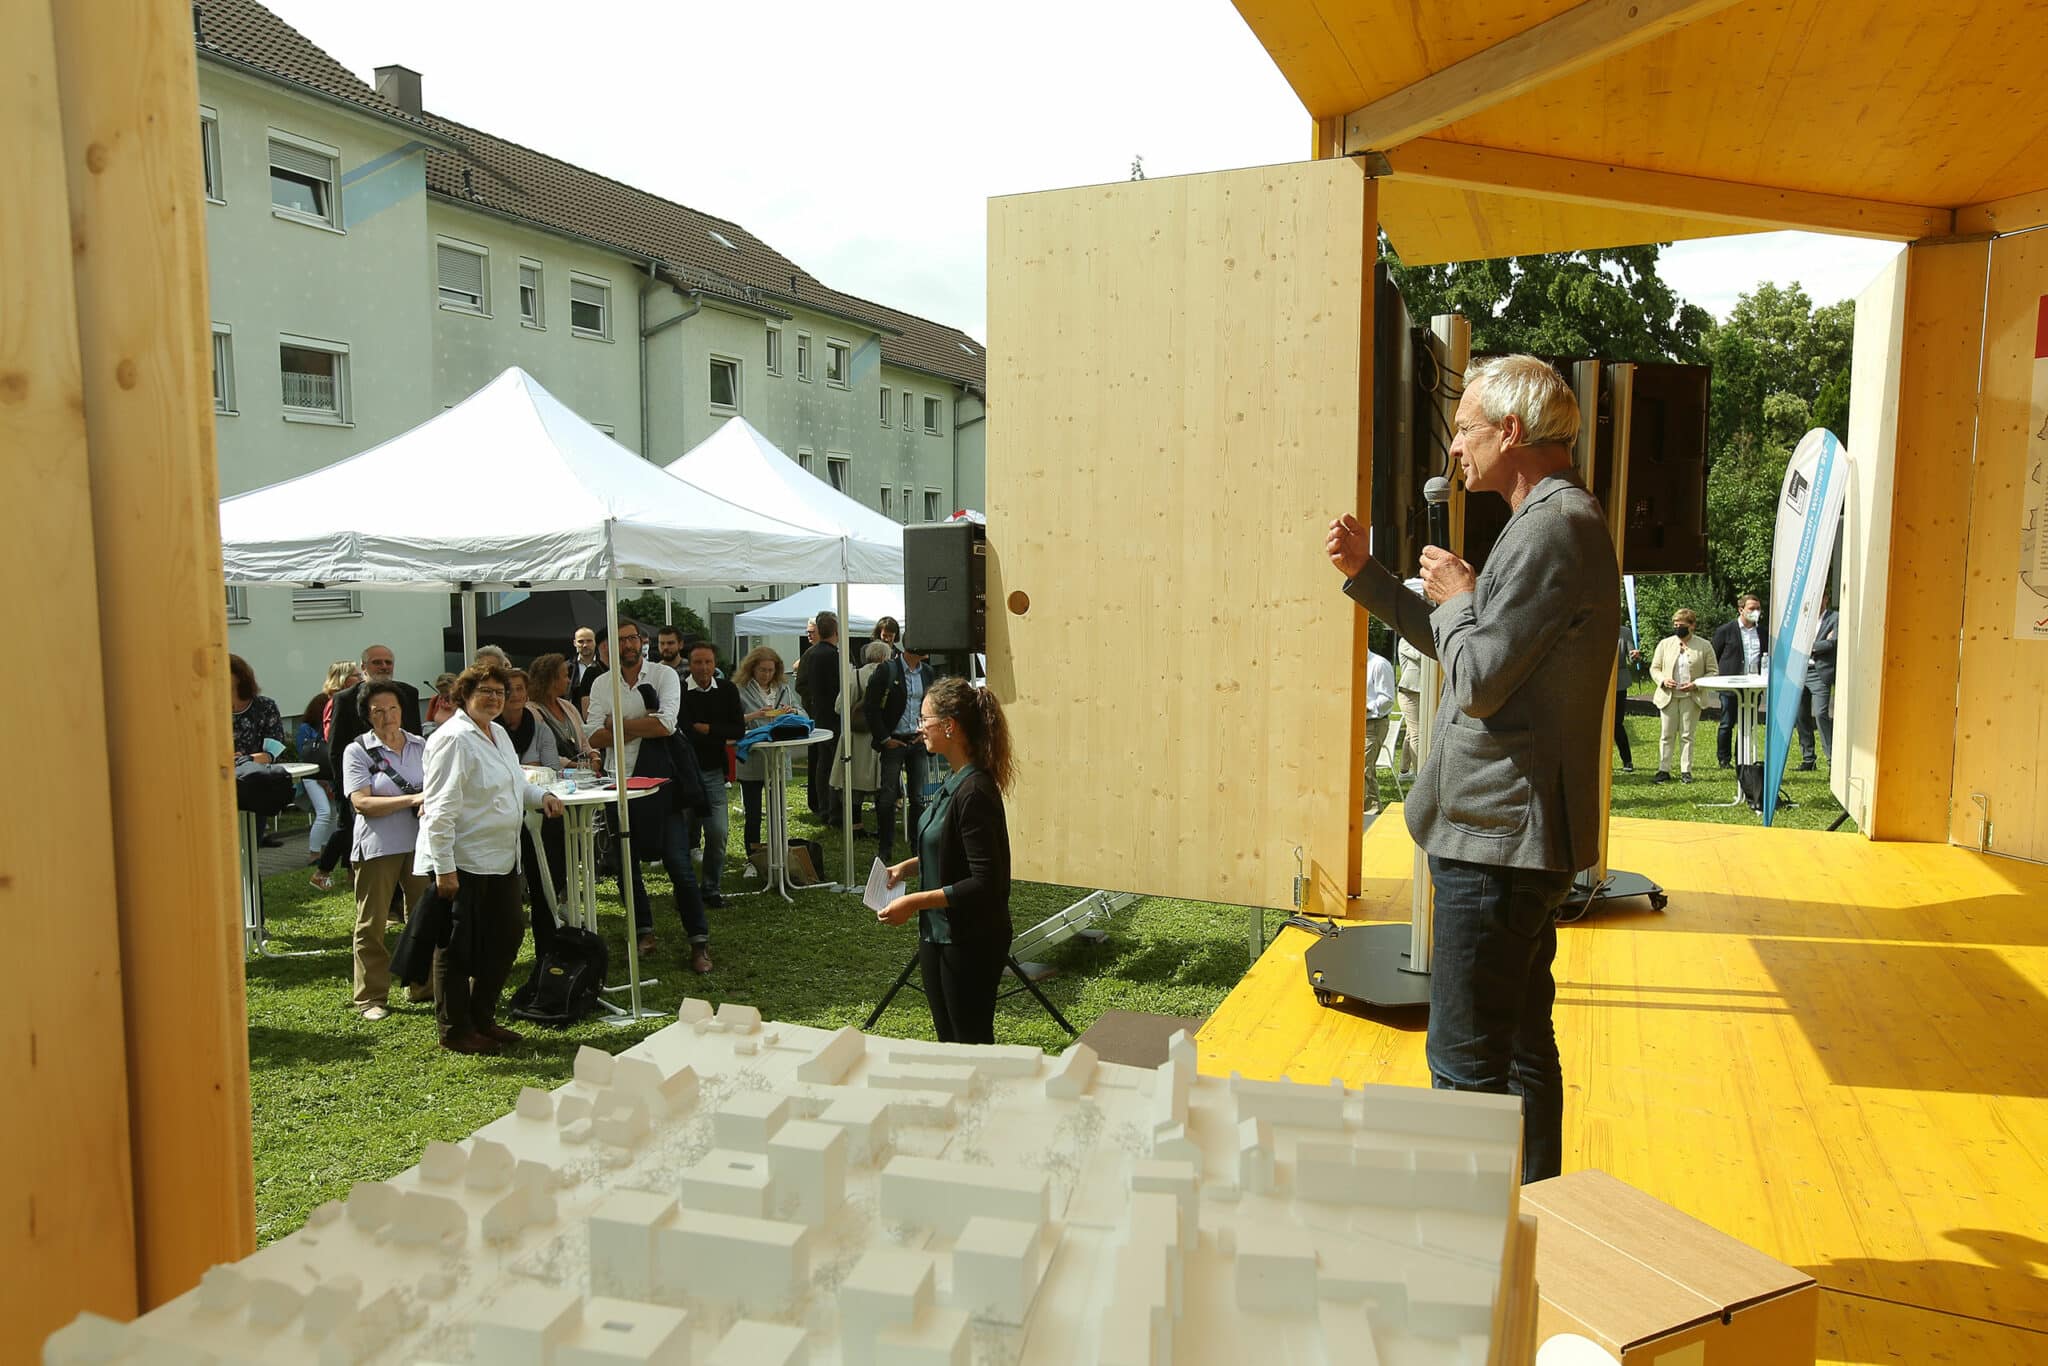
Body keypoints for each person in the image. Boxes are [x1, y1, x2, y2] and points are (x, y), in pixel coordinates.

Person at [1324, 353, 1619, 1185]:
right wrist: (1373, 580)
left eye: (1465, 430)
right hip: (1506, 842)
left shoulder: (1555, 525)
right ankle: (1537, 1229)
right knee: (1521, 1049)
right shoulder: (1550, 520)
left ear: (1512, 432)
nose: (1454, 448)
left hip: (1495, 847)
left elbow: (1479, 677)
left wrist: (1458, 594)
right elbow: (1477, 652)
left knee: (1463, 1070)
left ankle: (1473, 1257)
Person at [413, 660, 564, 1054]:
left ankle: (482, 1017)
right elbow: (439, 809)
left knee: (506, 937)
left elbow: (514, 784)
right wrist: (445, 870)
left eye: (501, 692)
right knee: (457, 947)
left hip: (501, 859)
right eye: (487, 692)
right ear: (464, 695)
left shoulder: (496, 732)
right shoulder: (453, 739)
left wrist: (542, 796)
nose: (495, 699)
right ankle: (455, 1029)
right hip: (462, 861)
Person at [876, 677, 1016, 1045]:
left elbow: (985, 881)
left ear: (949, 726)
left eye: (925, 719)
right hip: (937, 934)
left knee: (969, 1045)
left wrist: (914, 901)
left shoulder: (976, 792)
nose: (919, 728)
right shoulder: (954, 782)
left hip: (970, 940)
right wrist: (907, 868)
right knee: (948, 1045)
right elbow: (948, 847)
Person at [586, 619, 714, 974]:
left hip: (661, 784)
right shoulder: (601, 684)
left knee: (679, 866)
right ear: (609, 647)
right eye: (619, 640)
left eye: (632, 639)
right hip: (618, 783)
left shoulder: (663, 676)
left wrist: (616, 726)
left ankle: (699, 941)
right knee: (628, 868)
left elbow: (665, 725)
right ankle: (644, 932)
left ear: (642, 643)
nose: (627, 646)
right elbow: (592, 737)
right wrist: (632, 726)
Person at [339, 679, 429, 1019]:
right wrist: (411, 799)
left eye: (393, 709)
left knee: (422, 918)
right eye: (378, 711)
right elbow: (362, 802)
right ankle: (371, 997)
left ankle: (421, 984)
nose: (388, 716)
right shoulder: (357, 750)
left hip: (420, 844)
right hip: (378, 846)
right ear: (367, 715)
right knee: (372, 922)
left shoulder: (422, 745)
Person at [499, 667, 563, 953]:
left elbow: (552, 771)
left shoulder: (539, 729)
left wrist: (520, 774)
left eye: (520, 689)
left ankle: (546, 951)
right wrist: (530, 771)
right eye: (508, 689)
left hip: (538, 815)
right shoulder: (491, 732)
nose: (515, 695)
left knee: (545, 884)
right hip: (502, 819)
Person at [678, 641, 745, 905]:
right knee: (683, 837)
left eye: (708, 662)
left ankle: (710, 888)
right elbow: (681, 729)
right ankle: (684, 890)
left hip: (713, 771)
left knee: (717, 832)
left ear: (715, 664)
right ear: (690, 664)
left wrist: (707, 729)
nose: (703, 667)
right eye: (698, 662)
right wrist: (718, 732)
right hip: (684, 774)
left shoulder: (727, 689)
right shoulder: (680, 690)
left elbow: (737, 729)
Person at [864, 639, 936, 864]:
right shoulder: (887, 670)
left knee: (918, 798)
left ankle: (917, 847)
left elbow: (930, 704)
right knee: (887, 796)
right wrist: (885, 738)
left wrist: (924, 731)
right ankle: (885, 848)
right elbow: (871, 706)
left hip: (916, 741)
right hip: (894, 741)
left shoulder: (928, 672)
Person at [735, 645, 807, 855]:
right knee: (754, 813)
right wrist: (754, 715)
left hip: (778, 758)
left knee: (778, 812)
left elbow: (803, 715)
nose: (766, 675)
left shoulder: (783, 688)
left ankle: (779, 853)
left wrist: (791, 711)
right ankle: (754, 857)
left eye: (770, 670)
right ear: (752, 669)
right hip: (753, 758)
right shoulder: (739, 689)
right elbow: (731, 722)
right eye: (762, 670)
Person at [295, 661, 355, 880]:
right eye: (355, 675)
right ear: (343, 678)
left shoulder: (345, 699)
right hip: (339, 770)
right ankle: (324, 868)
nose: (360, 678)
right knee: (343, 821)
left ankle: (338, 870)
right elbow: (333, 740)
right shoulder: (336, 701)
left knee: (345, 821)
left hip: (344, 770)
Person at [1649, 609, 1715, 784]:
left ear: (1692, 626)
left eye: (1682, 625)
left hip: (1691, 697)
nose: (1678, 628)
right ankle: (1663, 769)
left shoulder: (1704, 645)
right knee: (1666, 734)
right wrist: (1663, 680)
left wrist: (1696, 684)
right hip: (1668, 696)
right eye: (1675, 625)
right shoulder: (1665, 644)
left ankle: (1686, 770)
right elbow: (1654, 668)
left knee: (1687, 735)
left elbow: (1713, 672)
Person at [229, 653, 287, 845]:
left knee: (251, 847)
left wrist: (244, 760)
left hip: (253, 784)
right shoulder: (207, 707)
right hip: (216, 787)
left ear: (239, 676)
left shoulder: (265, 707)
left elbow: (273, 752)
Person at [837, 642, 893, 836]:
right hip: (882, 734)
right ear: (886, 657)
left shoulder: (855, 675)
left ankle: (856, 826)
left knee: (854, 784)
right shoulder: (891, 676)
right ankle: (883, 827)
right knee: (881, 783)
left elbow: (839, 707)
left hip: (856, 736)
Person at [795, 610, 843, 818]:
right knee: (832, 764)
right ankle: (832, 809)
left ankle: (824, 806)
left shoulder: (811, 654)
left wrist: (812, 706)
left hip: (819, 717)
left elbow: (800, 685)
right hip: (832, 717)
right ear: (835, 630)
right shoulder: (833, 655)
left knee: (824, 764)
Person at [1711, 594, 1766, 769]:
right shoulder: (1725, 630)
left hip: (1753, 685)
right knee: (1727, 722)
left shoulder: (1763, 632)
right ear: (1741, 609)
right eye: (1751, 608)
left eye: (1757, 608)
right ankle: (1724, 759)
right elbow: (1714, 655)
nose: (1755, 612)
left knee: (1747, 723)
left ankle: (1741, 757)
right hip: (1731, 685)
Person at [1795, 597, 1840, 770]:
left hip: (1820, 672)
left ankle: (1831, 760)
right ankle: (1808, 759)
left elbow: (1833, 642)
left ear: (1826, 599)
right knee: (1800, 715)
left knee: (1821, 714)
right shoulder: (1803, 619)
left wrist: (1811, 646)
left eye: (1820, 598)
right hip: (1800, 671)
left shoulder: (1835, 617)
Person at [1395, 582, 1426, 777]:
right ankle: (1420, 774)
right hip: (1408, 693)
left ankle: (1404, 770)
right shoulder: (1406, 641)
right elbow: (1423, 655)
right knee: (1417, 733)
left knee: (1410, 731)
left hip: (1420, 691)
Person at [1363, 647, 1395, 814]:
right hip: (1354, 724)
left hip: (1373, 724)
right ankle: (1371, 810)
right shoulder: (1349, 664)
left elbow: (1388, 699)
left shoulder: (1379, 664)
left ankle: (1369, 812)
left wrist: (1366, 708)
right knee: (1362, 770)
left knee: (1363, 768)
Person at [1614, 631, 1640, 774]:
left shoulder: (1624, 632)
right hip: (1597, 684)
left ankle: (1627, 760)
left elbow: (1632, 659)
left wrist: (1635, 656)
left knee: (1617, 724)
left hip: (1619, 684)